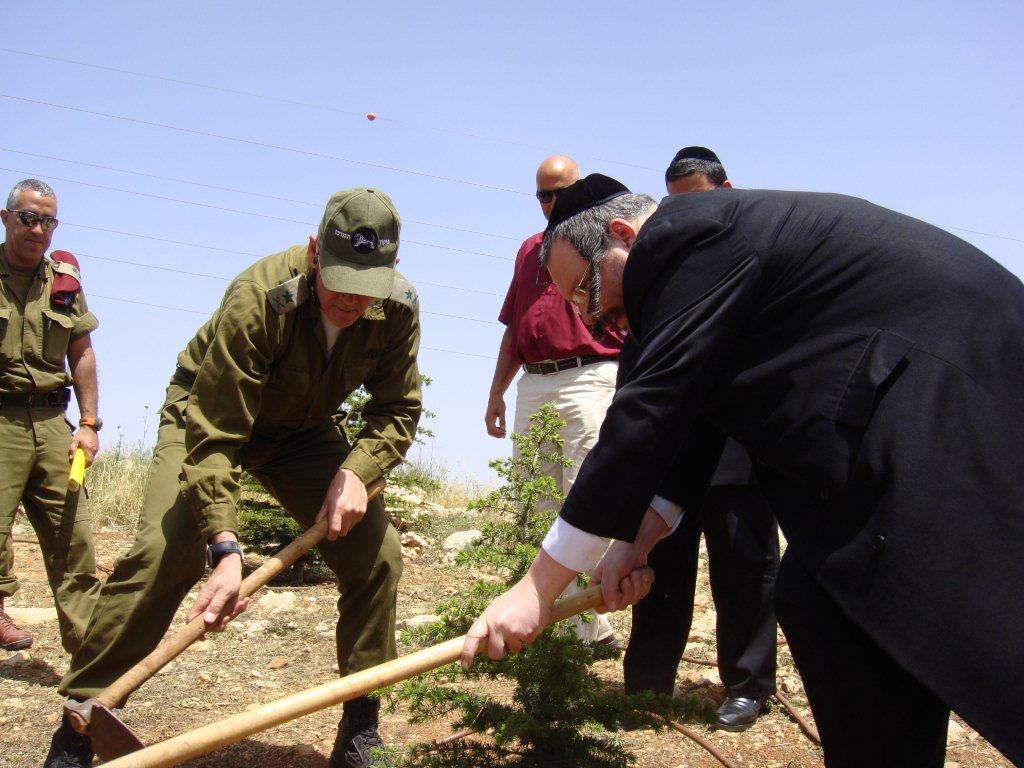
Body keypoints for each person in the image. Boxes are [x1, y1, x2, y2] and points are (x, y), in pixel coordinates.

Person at [462, 173, 1024, 767]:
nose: (591, 319)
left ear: (625, 236)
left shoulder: (685, 236)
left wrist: (537, 587)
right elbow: (697, 421)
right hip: (894, 424)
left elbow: (648, 412)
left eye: (586, 292)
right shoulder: (702, 267)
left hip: (954, 400)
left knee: (988, 636)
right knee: (823, 606)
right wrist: (634, 543)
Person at [45, 188, 422, 768]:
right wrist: (224, 547)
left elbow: (396, 410)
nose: (350, 301)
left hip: (301, 433)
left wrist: (355, 472)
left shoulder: (397, 309)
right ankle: (81, 722)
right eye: (340, 280)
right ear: (314, 251)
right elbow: (215, 433)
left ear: (392, 269)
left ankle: (360, 725)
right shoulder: (260, 299)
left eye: (366, 285)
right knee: (161, 554)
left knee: (378, 554)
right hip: (206, 417)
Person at [623, 148, 779, 732]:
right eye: (674, 206)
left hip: (739, 443)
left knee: (745, 567)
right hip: (674, 443)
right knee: (661, 565)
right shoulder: (661, 266)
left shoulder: (759, 248)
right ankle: (645, 687)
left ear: (727, 189)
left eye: (697, 201)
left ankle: (747, 685)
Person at [484, 155, 622, 645]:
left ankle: (584, 630)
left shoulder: (605, 243)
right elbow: (513, 327)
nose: (551, 203)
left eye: (560, 192)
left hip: (590, 376)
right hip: (535, 381)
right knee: (534, 500)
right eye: (543, 195)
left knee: (580, 497)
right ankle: (556, 624)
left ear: (578, 189)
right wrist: (497, 391)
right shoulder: (528, 251)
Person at [0, 178, 100, 654]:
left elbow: (81, 352)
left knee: (74, 538)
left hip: (52, 424)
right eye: (28, 217)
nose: (38, 229)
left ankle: (89, 656)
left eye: (47, 221)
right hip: (0, 420)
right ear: (6, 218)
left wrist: (88, 424)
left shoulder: (64, 282)